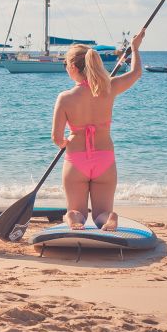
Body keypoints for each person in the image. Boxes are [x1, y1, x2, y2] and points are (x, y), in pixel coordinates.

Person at [52, 29, 144, 231]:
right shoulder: (108, 88)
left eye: (66, 64)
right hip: (104, 158)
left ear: (74, 67)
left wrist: (63, 142)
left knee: (76, 211)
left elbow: (57, 137)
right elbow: (136, 73)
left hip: (77, 160)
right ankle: (109, 218)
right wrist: (135, 48)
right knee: (101, 212)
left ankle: (75, 219)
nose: (66, 68)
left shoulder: (65, 98)